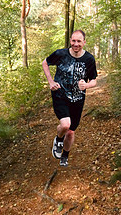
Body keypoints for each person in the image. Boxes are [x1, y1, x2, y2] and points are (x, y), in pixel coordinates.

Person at [42, 30, 97, 167]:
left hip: (78, 99)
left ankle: (65, 154)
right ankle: (58, 140)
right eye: (73, 41)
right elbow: (45, 62)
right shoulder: (60, 54)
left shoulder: (89, 59)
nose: (76, 44)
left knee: (71, 132)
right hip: (60, 95)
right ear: (70, 41)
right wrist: (50, 81)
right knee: (65, 125)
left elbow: (94, 80)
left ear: (84, 42)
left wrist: (87, 85)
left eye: (79, 41)